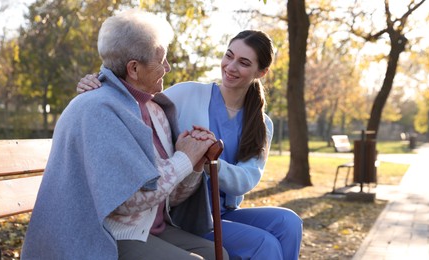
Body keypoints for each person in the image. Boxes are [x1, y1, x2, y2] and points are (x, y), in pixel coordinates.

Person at [22, 9, 229, 260]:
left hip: (149, 229)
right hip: (106, 234)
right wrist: (183, 159)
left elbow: (169, 197)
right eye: (161, 59)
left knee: (219, 255)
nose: (168, 66)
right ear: (133, 68)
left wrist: (194, 165)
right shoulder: (97, 109)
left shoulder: (157, 111)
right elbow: (128, 202)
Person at [78, 30, 303, 259]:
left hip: (224, 212)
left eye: (244, 63)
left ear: (261, 72)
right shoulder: (188, 93)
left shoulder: (262, 123)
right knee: (264, 244)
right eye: (229, 55)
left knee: (289, 222)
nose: (231, 66)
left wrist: (208, 160)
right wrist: (100, 81)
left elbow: (245, 180)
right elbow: (137, 95)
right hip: (189, 212)